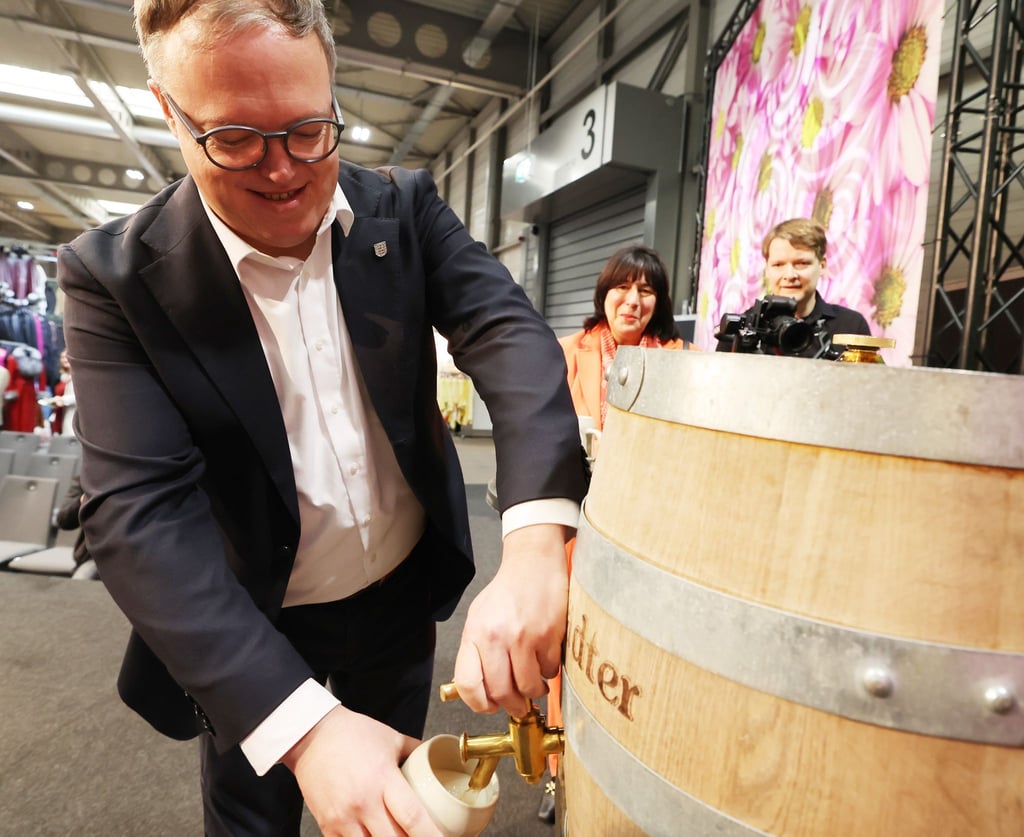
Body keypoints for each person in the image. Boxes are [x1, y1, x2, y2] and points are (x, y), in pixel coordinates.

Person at [57, 1, 588, 835]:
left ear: (333, 88)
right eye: (233, 139)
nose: (283, 171)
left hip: (399, 603)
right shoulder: (114, 280)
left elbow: (508, 334)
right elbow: (135, 511)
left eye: (310, 129)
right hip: (256, 624)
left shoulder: (403, 208)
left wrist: (533, 544)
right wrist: (304, 732)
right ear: (168, 107)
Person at [538, 244, 693, 824]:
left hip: (649, 530)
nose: (633, 300)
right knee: (565, 639)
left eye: (647, 290)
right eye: (623, 288)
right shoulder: (568, 352)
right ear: (604, 293)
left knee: (631, 646)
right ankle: (557, 766)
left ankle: (628, 759)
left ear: (660, 301)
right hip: (579, 519)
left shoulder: (679, 356)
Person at [717, 217, 871, 358]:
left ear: (822, 265)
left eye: (801, 263)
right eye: (778, 265)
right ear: (767, 269)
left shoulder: (851, 325)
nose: (789, 275)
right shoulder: (740, 331)